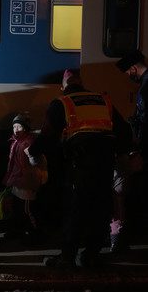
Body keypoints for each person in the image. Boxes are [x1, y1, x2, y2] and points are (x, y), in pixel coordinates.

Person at [27, 69, 131, 268]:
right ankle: (91, 255)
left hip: (80, 165)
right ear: (81, 83)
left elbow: (48, 135)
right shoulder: (103, 100)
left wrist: (33, 151)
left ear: (63, 86)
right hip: (105, 165)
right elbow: (124, 130)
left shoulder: (62, 102)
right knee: (100, 209)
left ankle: (67, 257)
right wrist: (120, 154)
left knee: (75, 210)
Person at [2, 113, 46, 243]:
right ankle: (18, 230)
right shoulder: (16, 141)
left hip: (27, 181)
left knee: (27, 209)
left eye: (19, 127)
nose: (16, 129)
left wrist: (32, 155)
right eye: (14, 126)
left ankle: (36, 232)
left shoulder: (29, 142)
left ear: (25, 128)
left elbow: (38, 162)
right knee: (16, 208)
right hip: (18, 180)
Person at [116, 50, 148, 174]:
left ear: (133, 68)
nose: (129, 75)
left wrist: (142, 150)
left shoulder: (145, 87)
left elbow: (145, 119)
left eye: (128, 72)